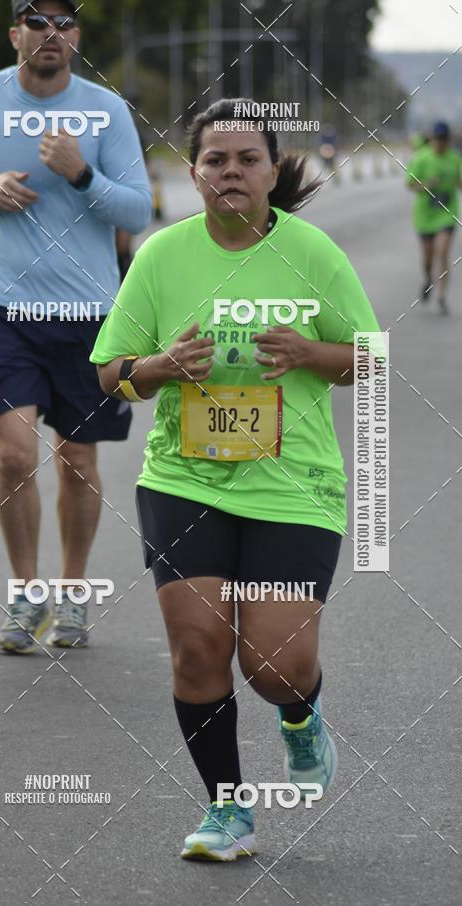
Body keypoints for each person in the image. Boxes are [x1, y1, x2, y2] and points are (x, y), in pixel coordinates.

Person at [91, 98, 381, 861]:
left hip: (293, 485)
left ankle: (301, 716)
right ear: (193, 174)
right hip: (185, 480)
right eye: (214, 160)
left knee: (274, 665)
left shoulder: (313, 254)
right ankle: (228, 810)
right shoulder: (162, 256)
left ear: (272, 171)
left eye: (247, 159)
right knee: (198, 649)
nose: (230, 172)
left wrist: (310, 354)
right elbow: (111, 373)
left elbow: (371, 358)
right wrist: (158, 368)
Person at [0, 0, 151, 653]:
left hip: (89, 312)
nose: (51, 33)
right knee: (14, 453)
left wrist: (82, 173)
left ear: (76, 37)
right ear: (16, 33)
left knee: (77, 460)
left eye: (64, 23)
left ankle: (71, 593)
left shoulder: (106, 109)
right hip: (6, 308)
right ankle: (25, 594)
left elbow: (138, 210)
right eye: (37, 21)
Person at [406, 121, 462, 314]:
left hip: (447, 213)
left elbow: (459, 182)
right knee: (428, 259)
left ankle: (442, 296)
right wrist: (426, 185)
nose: (441, 143)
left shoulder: (455, 159)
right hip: (425, 216)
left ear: (448, 141)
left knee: (442, 252)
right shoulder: (422, 158)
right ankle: (428, 278)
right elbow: (409, 184)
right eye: (438, 139)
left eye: (444, 139)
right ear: (433, 140)